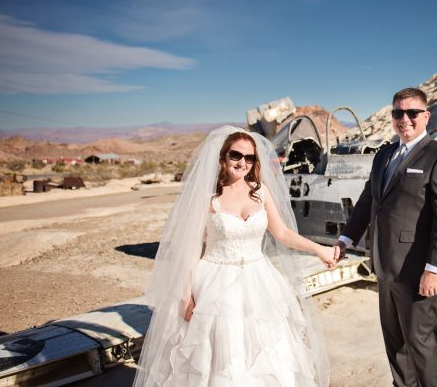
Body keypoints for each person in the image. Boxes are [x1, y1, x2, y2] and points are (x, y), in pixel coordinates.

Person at [134, 126, 334, 387]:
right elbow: (190, 249)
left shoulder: (260, 191)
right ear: (223, 157)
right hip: (215, 285)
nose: (242, 163)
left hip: (259, 282)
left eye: (249, 158)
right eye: (236, 155)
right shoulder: (209, 197)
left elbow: (283, 233)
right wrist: (186, 296)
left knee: (268, 354)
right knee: (220, 357)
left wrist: (319, 249)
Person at [334, 88, 437, 387]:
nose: (404, 119)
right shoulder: (384, 155)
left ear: (426, 116)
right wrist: (346, 240)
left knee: (421, 346)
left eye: (412, 113)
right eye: (397, 113)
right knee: (395, 345)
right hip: (385, 266)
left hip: (416, 270)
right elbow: (368, 200)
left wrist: (434, 268)